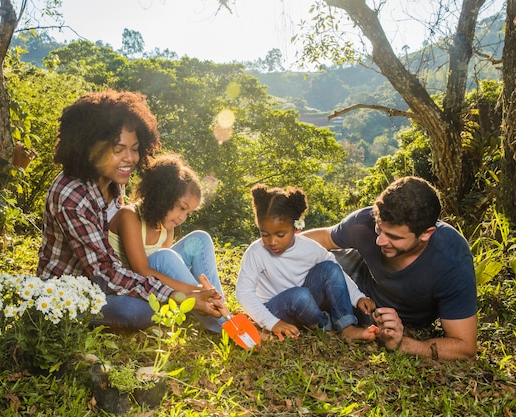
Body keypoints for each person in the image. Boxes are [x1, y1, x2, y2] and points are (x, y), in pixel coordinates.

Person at [37, 90, 222, 329]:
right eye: (118, 149)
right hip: (76, 289)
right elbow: (106, 274)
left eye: (134, 148)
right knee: (135, 311)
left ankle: (215, 308)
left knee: (193, 244)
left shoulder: (112, 181)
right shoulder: (71, 197)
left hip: (118, 275)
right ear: (89, 146)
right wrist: (181, 295)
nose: (130, 158)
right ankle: (200, 311)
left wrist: (186, 290)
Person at [302, 176, 477, 360]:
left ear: (426, 234)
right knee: (313, 265)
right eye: (379, 228)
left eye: (394, 237)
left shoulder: (451, 259)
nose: (380, 241)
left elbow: (465, 346)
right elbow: (324, 237)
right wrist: (272, 253)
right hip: (354, 272)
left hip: (383, 315)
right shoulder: (364, 221)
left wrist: (404, 344)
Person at [235, 184, 378, 342]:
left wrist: (358, 297)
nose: (272, 241)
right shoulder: (256, 253)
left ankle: (346, 327)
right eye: (265, 234)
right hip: (275, 309)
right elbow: (244, 292)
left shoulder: (310, 248)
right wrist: (272, 322)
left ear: (296, 228)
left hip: (307, 302)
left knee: (329, 268)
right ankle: (323, 324)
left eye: (280, 235)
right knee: (299, 295)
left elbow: (336, 272)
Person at [108, 153, 225, 332]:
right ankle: (223, 324)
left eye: (188, 213)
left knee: (200, 238)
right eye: (182, 208)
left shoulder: (167, 226)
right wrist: (195, 291)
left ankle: (219, 305)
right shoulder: (128, 216)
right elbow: (141, 270)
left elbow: (167, 271)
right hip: (131, 283)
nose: (182, 218)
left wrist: (201, 292)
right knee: (164, 256)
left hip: (156, 282)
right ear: (163, 196)